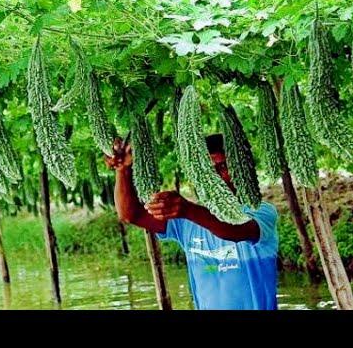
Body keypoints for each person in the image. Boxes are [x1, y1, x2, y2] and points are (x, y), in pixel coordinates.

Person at [104, 133, 278, 310]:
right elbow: (131, 215)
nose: (215, 177)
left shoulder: (261, 211)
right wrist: (123, 170)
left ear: (240, 169)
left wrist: (188, 210)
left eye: (223, 166)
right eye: (208, 171)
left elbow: (236, 231)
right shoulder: (187, 221)